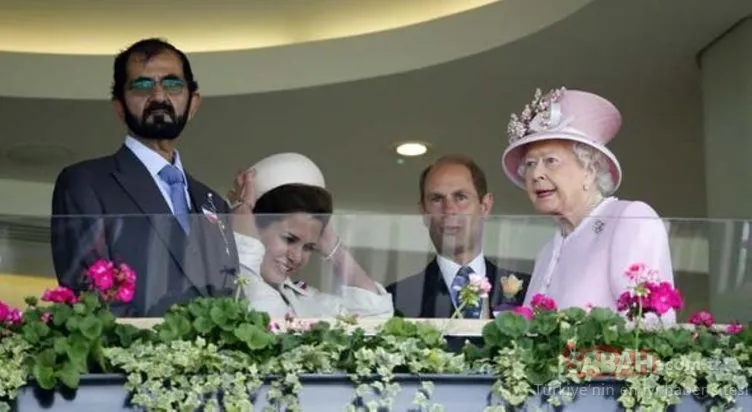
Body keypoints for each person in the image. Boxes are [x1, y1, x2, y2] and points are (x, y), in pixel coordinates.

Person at [50, 38, 238, 317]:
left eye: (173, 85)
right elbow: (89, 298)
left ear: (193, 103)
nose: (159, 97)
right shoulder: (85, 183)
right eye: (142, 86)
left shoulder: (213, 202)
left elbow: (228, 296)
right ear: (119, 106)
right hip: (128, 357)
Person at [500, 87, 677, 323]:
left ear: (590, 171)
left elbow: (649, 327)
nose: (536, 174)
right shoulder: (547, 250)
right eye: (531, 163)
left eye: (551, 161)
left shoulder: (629, 219)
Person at [228, 152, 393, 319]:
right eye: (289, 239)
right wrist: (242, 217)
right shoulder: (215, 288)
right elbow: (263, 314)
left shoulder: (304, 300)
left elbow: (375, 315)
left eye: (308, 247)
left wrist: (330, 244)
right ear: (253, 226)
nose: (297, 257)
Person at [386, 155, 531, 318]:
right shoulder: (394, 300)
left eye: (460, 197)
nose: (449, 210)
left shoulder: (530, 290)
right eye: (436, 199)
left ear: (485, 206)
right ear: (423, 211)